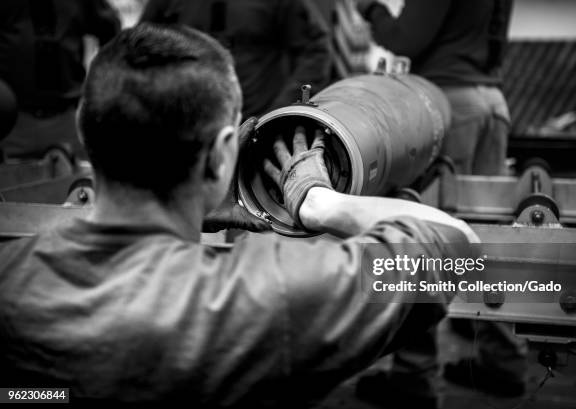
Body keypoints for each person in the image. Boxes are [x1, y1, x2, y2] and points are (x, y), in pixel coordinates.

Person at [0, 24, 479, 406]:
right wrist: (317, 202)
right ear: (224, 152)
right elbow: (455, 246)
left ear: (85, 134)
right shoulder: (260, 299)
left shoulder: (12, 277)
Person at [354, 1, 525, 407]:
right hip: (490, 101)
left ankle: (414, 376)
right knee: (486, 239)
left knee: (422, 235)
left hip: (448, 107)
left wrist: (371, 9)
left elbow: (404, 39)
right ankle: (504, 361)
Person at [357, 0, 513, 176]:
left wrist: (372, 10)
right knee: (491, 199)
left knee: (444, 198)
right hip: (494, 101)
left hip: (451, 102)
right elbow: (498, 42)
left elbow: (404, 39)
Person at [140, 0, 332, 119]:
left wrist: (280, 111)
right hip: (189, 126)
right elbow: (140, 47)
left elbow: (315, 50)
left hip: (257, 125)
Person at [0, 0, 121, 159]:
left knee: (75, 182)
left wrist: (102, 90)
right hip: (10, 126)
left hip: (67, 121)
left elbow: (109, 29)